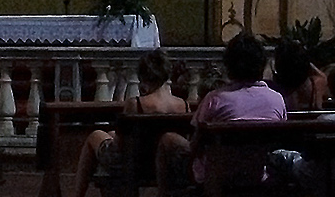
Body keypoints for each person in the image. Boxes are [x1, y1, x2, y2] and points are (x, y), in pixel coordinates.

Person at [156, 32, 285, 197]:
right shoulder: (276, 99)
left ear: (229, 65)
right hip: (256, 173)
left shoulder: (215, 99)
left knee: (168, 140)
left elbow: (195, 144)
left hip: (215, 176)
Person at [72, 49, 187, 197]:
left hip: (133, 163)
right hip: (164, 163)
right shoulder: (183, 104)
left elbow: (120, 145)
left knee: (95, 136)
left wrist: (114, 137)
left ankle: (78, 194)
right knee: (110, 134)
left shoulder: (136, 104)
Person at [269, 39, 328, 111]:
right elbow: (322, 76)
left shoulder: (273, 89)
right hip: (311, 121)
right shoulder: (316, 84)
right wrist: (304, 61)